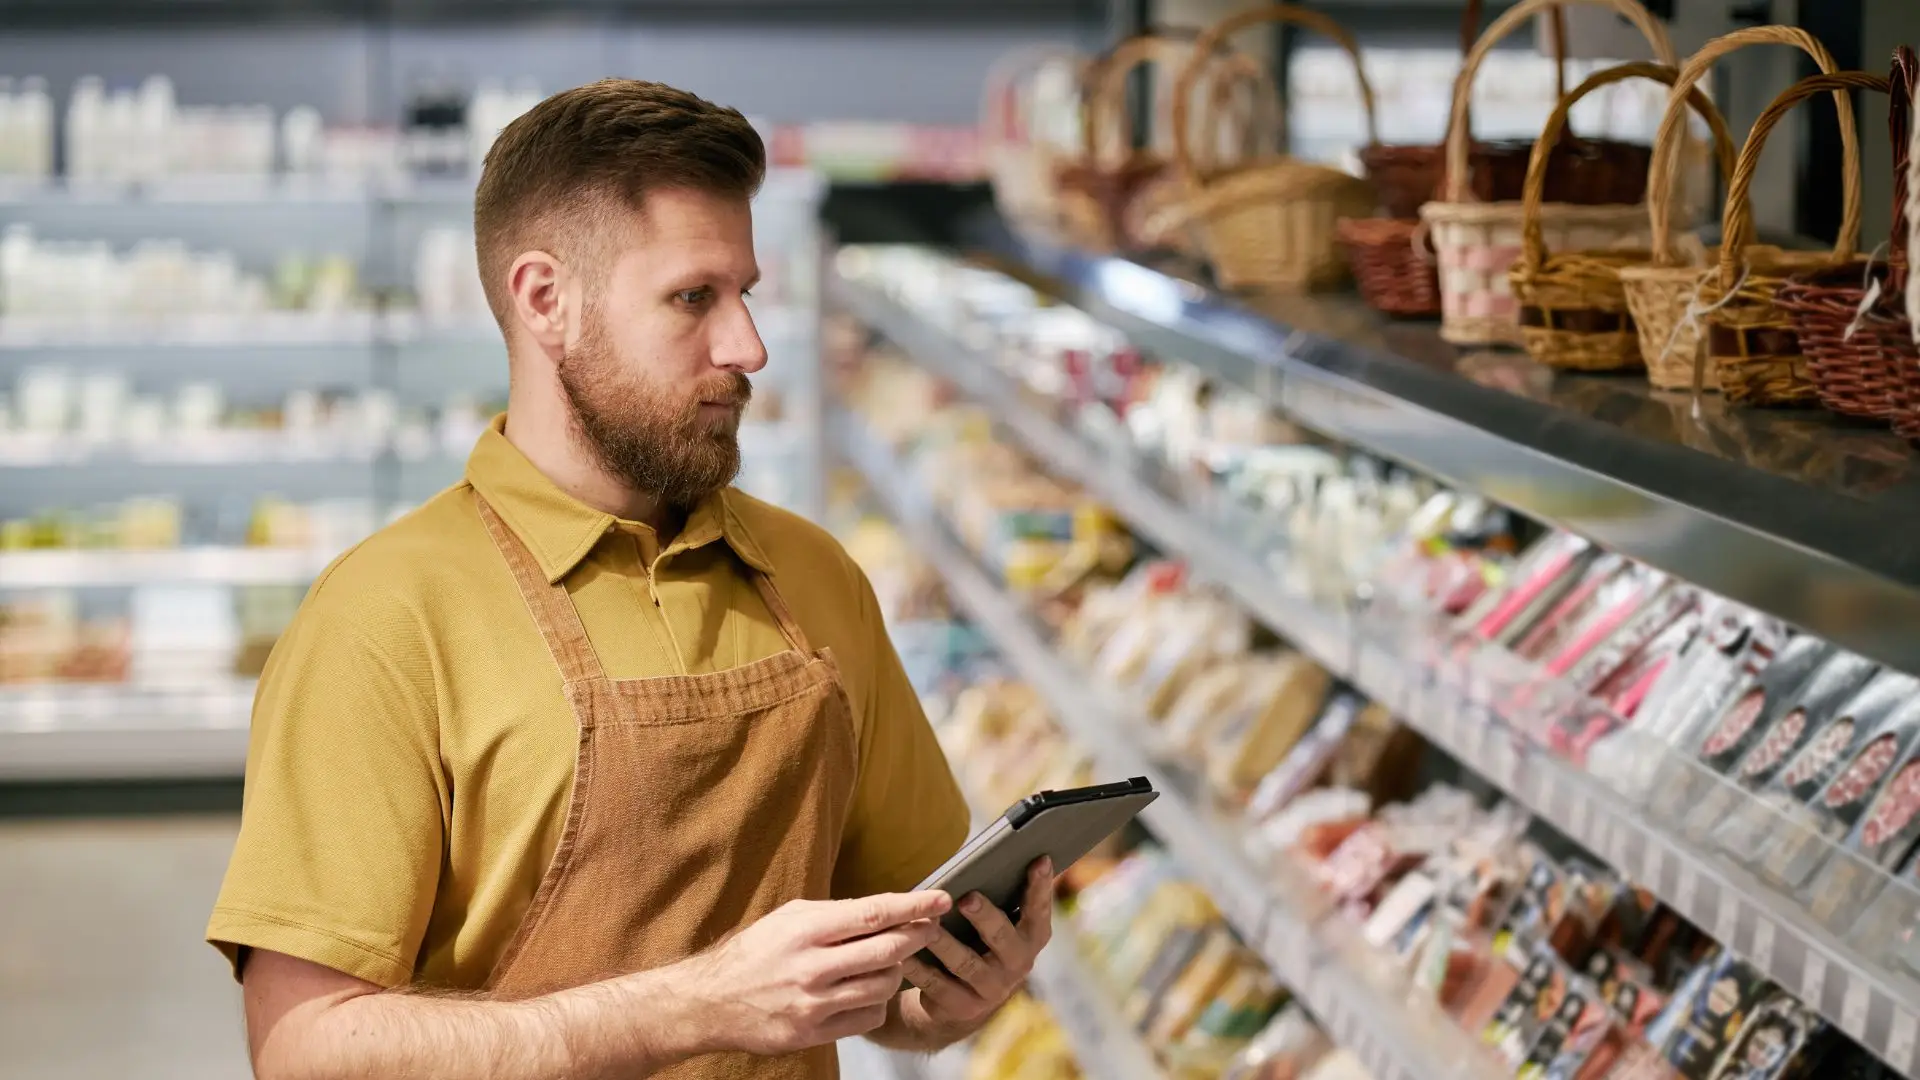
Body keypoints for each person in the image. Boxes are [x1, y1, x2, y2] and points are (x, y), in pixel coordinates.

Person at [207, 78, 1051, 1080]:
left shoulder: (815, 576)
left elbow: (899, 978)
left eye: (745, 294)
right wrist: (694, 1006)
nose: (748, 347)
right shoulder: (384, 621)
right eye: (694, 298)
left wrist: (948, 996)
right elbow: (305, 1050)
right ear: (545, 300)